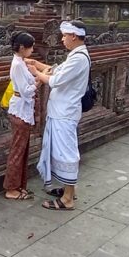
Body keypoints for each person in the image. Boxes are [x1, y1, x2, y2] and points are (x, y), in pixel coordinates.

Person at [28, 20, 90, 210]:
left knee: (67, 152)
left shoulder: (79, 58)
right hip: (61, 111)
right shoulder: (76, 55)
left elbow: (55, 80)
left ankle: (68, 198)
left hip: (65, 112)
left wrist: (35, 73)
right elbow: (57, 69)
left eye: (64, 36)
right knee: (61, 150)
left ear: (73, 36)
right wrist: (37, 64)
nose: (62, 39)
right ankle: (68, 189)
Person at [3, 31, 38, 201]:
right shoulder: (17, 64)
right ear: (22, 47)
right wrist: (40, 81)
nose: (32, 50)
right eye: (31, 47)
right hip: (20, 110)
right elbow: (25, 91)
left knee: (22, 150)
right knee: (17, 150)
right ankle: (11, 188)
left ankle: (18, 185)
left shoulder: (21, 62)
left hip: (23, 110)